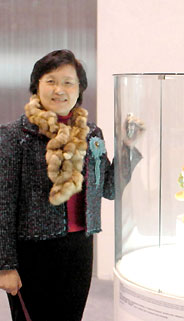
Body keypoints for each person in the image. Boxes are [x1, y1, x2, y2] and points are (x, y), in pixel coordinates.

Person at [0, 50, 143, 321]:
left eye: (68, 82)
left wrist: (127, 148)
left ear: (79, 89)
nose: (59, 90)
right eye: (51, 81)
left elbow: (109, 189)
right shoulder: (13, 136)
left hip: (79, 248)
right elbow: (3, 205)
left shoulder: (91, 135)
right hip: (32, 250)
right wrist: (4, 265)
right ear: (36, 86)